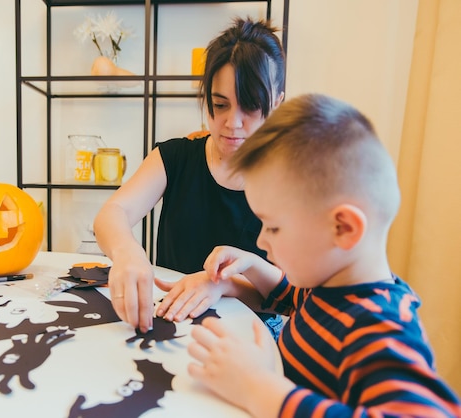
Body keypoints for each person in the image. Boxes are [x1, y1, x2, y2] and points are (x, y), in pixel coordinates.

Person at [187, 93, 461, 417]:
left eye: (273, 228)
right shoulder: (332, 286)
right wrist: (247, 271)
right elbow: (297, 299)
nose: (262, 239)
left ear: (343, 228)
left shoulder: (378, 328)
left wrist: (258, 386)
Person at [93, 17, 286, 335]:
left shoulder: (293, 178)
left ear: (276, 102)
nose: (231, 123)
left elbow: (288, 295)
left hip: (250, 334)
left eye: (250, 106)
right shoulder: (175, 157)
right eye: (219, 104)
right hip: (172, 321)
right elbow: (112, 213)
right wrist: (128, 251)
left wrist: (222, 286)